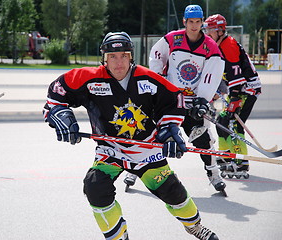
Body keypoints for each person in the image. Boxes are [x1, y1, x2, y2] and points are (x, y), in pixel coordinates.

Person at [43, 31, 219, 240]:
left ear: (131, 57)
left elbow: (174, 101)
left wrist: (170, 131)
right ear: (104, 59)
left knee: (173, 192)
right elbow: (56, 93)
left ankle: (194, 226)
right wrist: (60, 114)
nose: (119, 63)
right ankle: (118, 237)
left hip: (147, 149)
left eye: (124, 56)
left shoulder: (148, 78)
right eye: (113, 57)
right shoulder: (89, 78)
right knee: (94, 186)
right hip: (110, 150)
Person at [146, 4, 226, 194]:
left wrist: (203, 98)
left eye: (198, 22)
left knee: (203, 139)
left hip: (193, 102)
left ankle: (214, 173)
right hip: (171, 100)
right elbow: (156, 56)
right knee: (153, 133)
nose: (194, 26)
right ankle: (134, 172)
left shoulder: (210, 46)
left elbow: (212, 73)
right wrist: (159, 82)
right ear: (184, 21)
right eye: (191, 22)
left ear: (202, 23)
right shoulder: (173, 38)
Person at [204, 14, 262, 179]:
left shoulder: (228, 45)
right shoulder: (218, 45)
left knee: (234, 124)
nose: (207, 33)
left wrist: (235, 99)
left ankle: (240, 161)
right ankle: (225, 156)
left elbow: (236, 76)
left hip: (246, 90)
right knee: (221, 123)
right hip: (235, 90)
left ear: (220, 30)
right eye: (207, 30)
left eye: (210, 30)